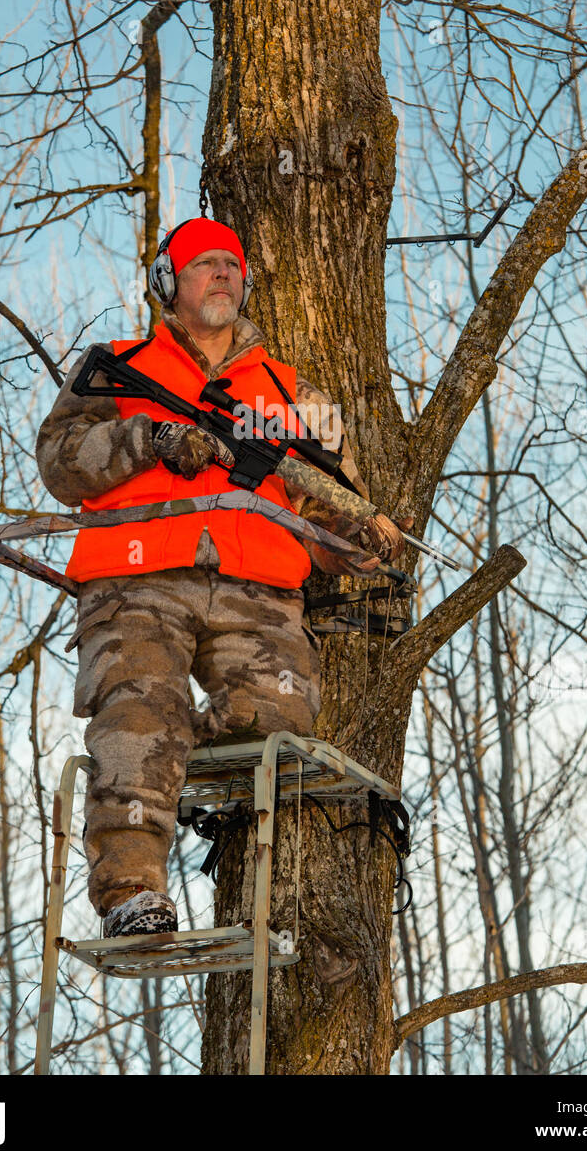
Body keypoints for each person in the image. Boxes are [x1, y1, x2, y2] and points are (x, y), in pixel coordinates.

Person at [35, 216, 409, 936]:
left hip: (259, 590)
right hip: (136, 578)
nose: (223, 275)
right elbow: (60, 462)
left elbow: (325, 509)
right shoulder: (121, 365)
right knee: (141, 707)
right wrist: (151, 440)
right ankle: (131, 894)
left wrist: (355, 540)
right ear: (167, 283)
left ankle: (168, 761)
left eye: (232, 266)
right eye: (204, 264)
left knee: (281, 716)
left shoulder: (291, 394)